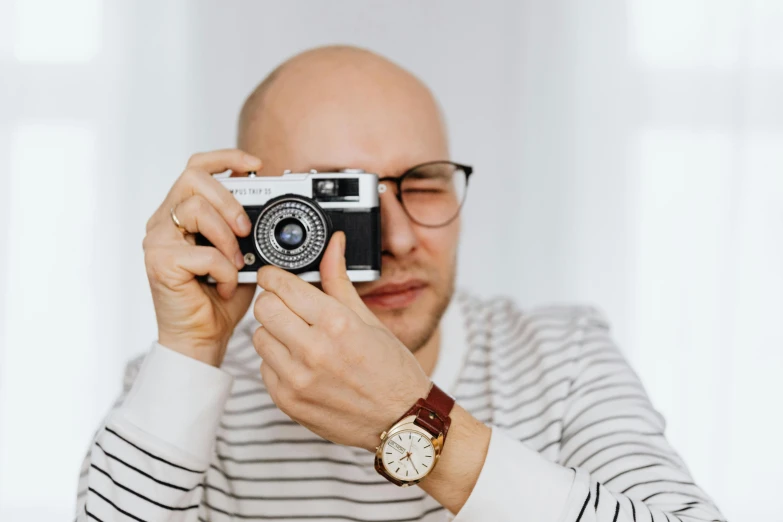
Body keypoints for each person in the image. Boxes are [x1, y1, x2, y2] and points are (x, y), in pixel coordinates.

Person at [75, 45, 725, 522]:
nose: (399, 238)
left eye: (423, 183)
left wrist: (410, 420)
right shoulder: (183, 386)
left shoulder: (561, 356)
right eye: (338, 201)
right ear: (251, 212)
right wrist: (187, 355)